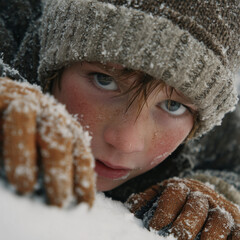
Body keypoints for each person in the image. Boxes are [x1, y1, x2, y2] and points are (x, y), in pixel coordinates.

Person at [0, 0, 240, 239]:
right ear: (55, 58)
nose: (126, 142)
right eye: (104, 80)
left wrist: (216, 192)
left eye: (172, 106)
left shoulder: (206, 134)